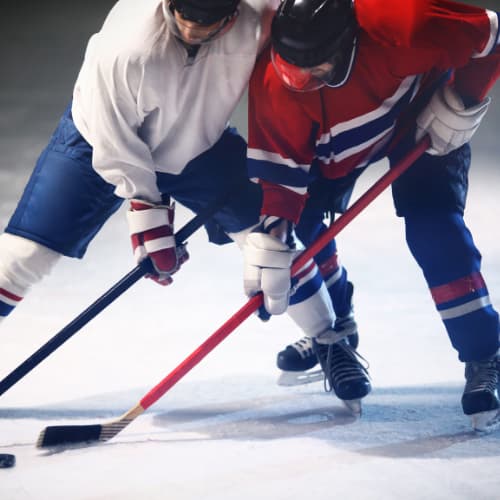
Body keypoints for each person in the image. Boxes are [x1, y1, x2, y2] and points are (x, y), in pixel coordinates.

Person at [0, 0, 371, 410]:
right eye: (184, 15)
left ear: (234, 12)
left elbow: (331, 25)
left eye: (208, 21)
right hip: (99, 143)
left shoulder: (263, 13)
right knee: (26, 253)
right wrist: (147, 211)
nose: (193, 28)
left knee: (271, 244)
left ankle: (329, 340)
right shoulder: (124, 48)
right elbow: (116, 145)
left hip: (199, 145)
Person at [242, 0, 500, 430]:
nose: (301, 81)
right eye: (294, 69)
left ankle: (485, 354)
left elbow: (491, 38)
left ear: (348, 42)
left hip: (422, 121)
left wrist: (464, 97)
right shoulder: (273, 82)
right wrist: (274, 235)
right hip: (334, 146)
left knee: (433, 230)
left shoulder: (405, 20)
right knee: (301, 235)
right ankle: (335, 330)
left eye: (317, 68)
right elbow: (282, 182)